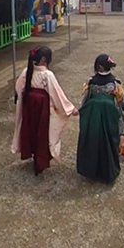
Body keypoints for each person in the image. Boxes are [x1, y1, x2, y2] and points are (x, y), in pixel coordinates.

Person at [11, 46, 78, 175]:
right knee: (42, 133)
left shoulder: (26, 71)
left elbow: (19, 87)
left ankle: (33, 153)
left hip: (29, 107)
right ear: (43, 60)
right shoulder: (47, 74)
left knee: (30, 129)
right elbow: (56, 93)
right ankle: (40, 160)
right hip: (42, 107)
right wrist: (70, 108)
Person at [77, 54, 124, 184]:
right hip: (110, 115)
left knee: (94, 142)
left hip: (94, 116)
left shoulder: (91, 82)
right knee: (110, 141)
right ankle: (109, 171)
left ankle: (93, 170)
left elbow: (85, 100)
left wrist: (84, 111)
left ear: (99, 67)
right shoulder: (115, 82)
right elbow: (123, 101)